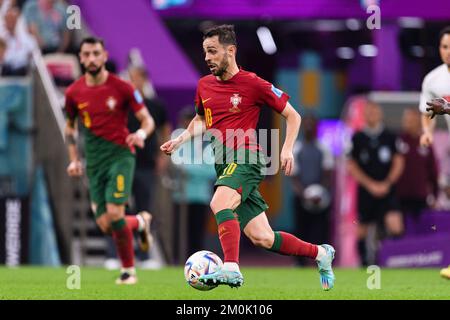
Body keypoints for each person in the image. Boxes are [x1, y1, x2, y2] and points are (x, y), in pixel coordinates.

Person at [160, 25, 335, 290]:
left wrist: (286, 149)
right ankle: (321, 253)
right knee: (262, 237)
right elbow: (201, 120)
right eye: (205, 52)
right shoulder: (204, 85)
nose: (207, 58)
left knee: (219, 202)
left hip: (247, 157)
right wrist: (181, 139)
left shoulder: (253, 83)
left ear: (231, 51)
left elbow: (293, 115)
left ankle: (231, 268)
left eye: (213, 51)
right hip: (223, 164)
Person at [64, 37, 155, 285]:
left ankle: (128, 271)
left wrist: (140, 134)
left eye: (96, 53)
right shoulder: (73, 93)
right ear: (80, 58)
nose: (91, 58)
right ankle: (140, 222)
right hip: (94, 163)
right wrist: (74, 160)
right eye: (86, 54)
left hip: (121, 155)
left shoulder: (123, 88)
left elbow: (148, 120)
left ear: (104, 56)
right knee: (106, 224)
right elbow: (70, 128)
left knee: (115, 213)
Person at [347, 101, 404, 266]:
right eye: (369, 112)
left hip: (387, 190)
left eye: (375, 112)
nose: (372, 115)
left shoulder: (390, 136)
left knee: (395, 225)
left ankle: (394, 261)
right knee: (361, 229)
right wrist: (370, 184)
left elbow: (399, 161)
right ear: (364, 115)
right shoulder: (357, 138)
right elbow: (352, 165)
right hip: (366, 190)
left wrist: (387, 183)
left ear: (380, 114)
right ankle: (364, 264)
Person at [418, 26, 450, 280]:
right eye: (444, 47)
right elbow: (427, 111)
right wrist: (427, 132)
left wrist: (447, 109)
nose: (448, 52)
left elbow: (444, 108)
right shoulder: (433, 79)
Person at [291, 115, 334, 266]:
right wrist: (304, 194)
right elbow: (293, 175)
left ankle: (322, 260)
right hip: (301, 196)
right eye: (306, 125)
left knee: (321, 231)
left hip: (321, 198)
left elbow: (328, 173)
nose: (309, 128)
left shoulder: (324, 148)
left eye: (312, 124)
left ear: (316, 127)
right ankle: (299, 261)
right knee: (300, 229)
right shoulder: (296, 148)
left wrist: (320, 192)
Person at [396, 108, 438, 218]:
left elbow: (433, 171)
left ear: (419, 122)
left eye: (412, 120)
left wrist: (435, 195)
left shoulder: (425, 142)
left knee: (421, 230)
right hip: (399, 195)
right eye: (406, 119)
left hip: (420, 195)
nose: (408, 122)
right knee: (400, 229)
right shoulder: (398, 141)